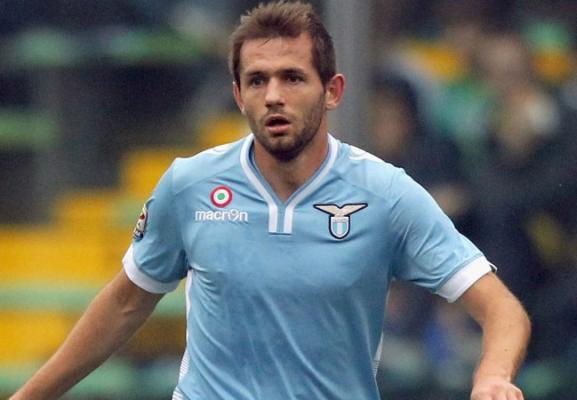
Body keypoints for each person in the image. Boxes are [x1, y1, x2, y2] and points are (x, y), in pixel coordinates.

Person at [10, 2, 530, 400]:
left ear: (333, 91)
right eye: (257, 80)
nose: (273, 95)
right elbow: (126, 302)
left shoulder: (386, 194)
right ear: (239, 95)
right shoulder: (189, 184)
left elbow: (502, 309)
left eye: (292, 78)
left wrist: (492, 376)